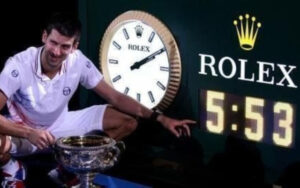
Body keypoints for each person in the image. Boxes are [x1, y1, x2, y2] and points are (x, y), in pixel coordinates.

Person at [0, 13, 195, 187]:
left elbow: (115, 97)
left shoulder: (78, 62)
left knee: (127, 122)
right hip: (23, 130)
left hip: (60, 124)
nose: (57, 52)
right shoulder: (18, 65)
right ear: (44, 37)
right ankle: (12, 169)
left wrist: (160, 118)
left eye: (65, 46)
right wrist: (29, 132)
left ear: (75, 46)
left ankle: (69, 170)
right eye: (53, 43)